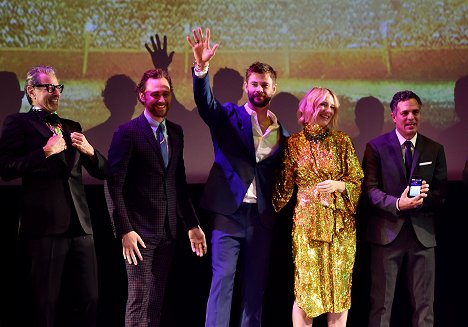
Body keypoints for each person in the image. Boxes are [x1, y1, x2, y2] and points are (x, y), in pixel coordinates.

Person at [186, 27, 289, 327]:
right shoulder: (227, 116)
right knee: (222, 283)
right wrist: (201, 68)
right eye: (254, 84)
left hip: (262, 217)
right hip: (229, 214)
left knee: (255, 289)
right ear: (246, 86)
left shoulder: (282, 132)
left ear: (274, 89)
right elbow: (206, 104)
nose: (259, 89)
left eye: (265, 85)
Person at [0, 65, 110, 327]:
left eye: (57, 87)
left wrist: (91, 152)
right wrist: (44, 153)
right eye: (48, 87)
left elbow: (105, 171)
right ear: (31, 92)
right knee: (45, 303)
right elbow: (5, 169)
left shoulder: (72, 126)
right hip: (45, 226)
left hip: (81, 226)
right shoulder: (18, 123)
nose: (55, 92)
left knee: (89, 299)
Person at [106, 68, 207, 327]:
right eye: (154, 94)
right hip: (138, 234)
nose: (161, 100)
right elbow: (113, 185)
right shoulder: (127, 133)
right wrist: (124, 230)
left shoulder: (175, 132)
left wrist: (192, 225)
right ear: (142, 96)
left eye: (166, 93)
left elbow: (178, 183)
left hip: (167, 233)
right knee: (138, 301)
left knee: (155, 303)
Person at [273, 87, 364, 326]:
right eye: (323, 104)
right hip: (307, 227)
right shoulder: (293, 144)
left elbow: (357, 180)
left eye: (332, 106)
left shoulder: (342, 141)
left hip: (340, 228)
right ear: (309, 106)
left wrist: (339, 185)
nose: (328, 110)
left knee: (339, 293)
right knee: (306, 292)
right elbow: (283, 188)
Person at [362, 90, 447, 327]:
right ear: (394, 116)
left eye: (415, 112)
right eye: (405, 113)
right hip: (386, 235)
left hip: (423, 236)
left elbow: (441, 193)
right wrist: (398, 203)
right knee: (381, 305)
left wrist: (421, 200)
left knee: (425, 306)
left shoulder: (434, 149)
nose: (411, 117)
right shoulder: (375, 147)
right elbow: (369, 190)